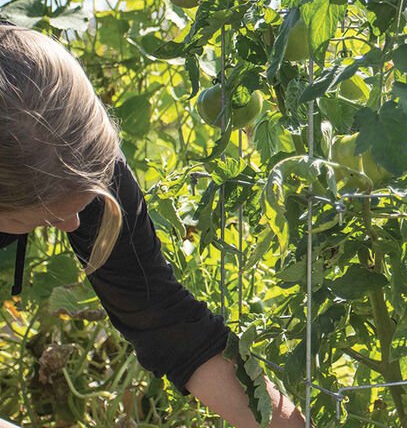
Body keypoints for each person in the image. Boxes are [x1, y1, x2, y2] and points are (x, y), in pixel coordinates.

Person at [0, 25, 304, 427]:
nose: (72, 223)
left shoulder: (80, 160)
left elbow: (162, 318)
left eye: (81, 204)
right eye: (48, 217)